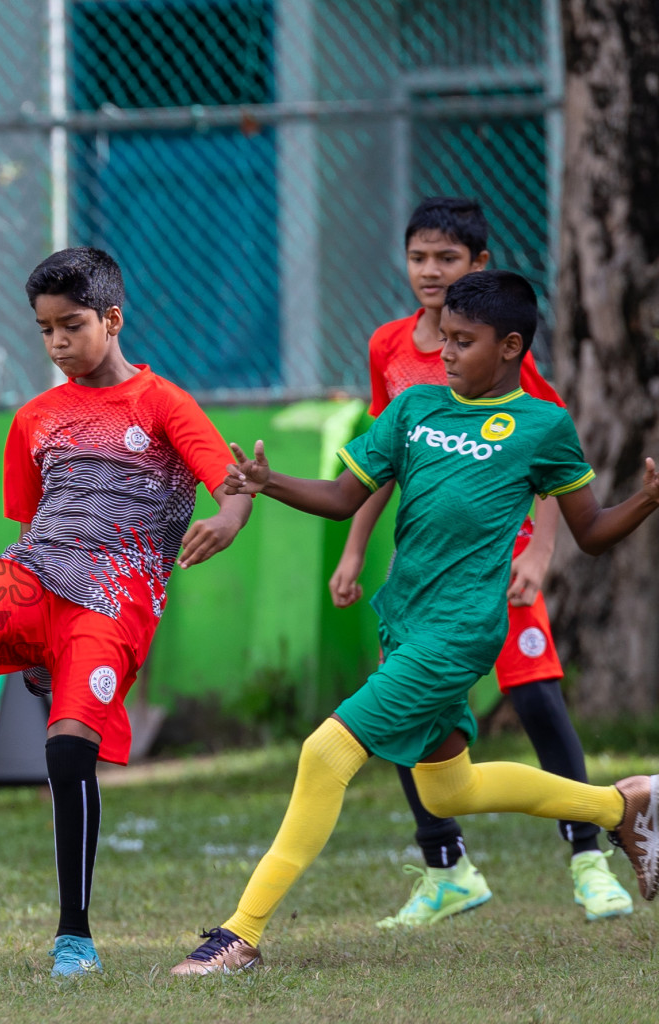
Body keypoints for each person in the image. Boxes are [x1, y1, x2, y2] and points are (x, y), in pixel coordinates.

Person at [172, 270, 659, 975]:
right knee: (447, 789)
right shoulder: (415, 409)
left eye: (465, 341)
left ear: (511, 346)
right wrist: (267, 483)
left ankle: (239, 935)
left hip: (460, 632)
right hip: (403, 622)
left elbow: (589, 531)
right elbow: (345, 496)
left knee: (324, 753)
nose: (448, 353)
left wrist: (645, 502)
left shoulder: (544, 426)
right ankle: (625, 807)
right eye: (446, 340)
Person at [0, 248, 253, 976]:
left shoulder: (163, 405)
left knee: (67, 751)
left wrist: (231, 518)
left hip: (114, 602)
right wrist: (26, 642)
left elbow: (233, 481)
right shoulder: (34, 418)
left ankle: (74, 936)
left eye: (72, 326)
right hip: (36, 572)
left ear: (113, 319)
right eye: (45, 331)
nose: (57, 344)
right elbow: (31, 521)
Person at [331, 197, 631, 926]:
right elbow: (381, 459)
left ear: (480, 267)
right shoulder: (390, 350)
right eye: (419, 257)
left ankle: (589, 856)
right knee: (406, 700)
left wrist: (543, 554)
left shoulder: (502, 350)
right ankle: (445, 867)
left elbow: (553, 465)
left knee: (534, 695)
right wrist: (355, 547)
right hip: (426, 563)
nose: (430, 272)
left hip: (505, 559)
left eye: (448, 259)